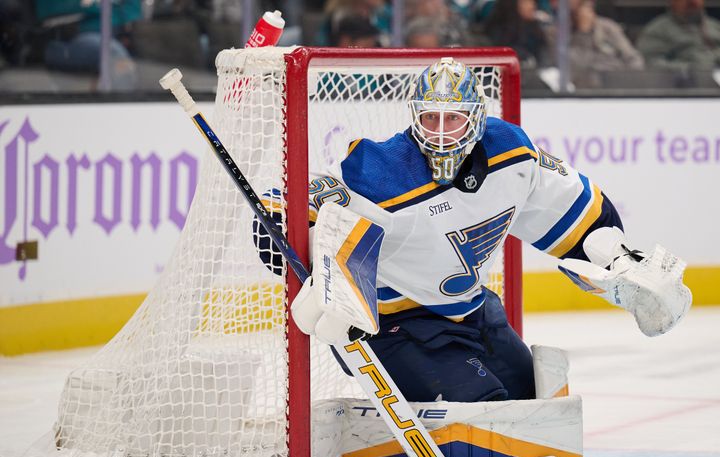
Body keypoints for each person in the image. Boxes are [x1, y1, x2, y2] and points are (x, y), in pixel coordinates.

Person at [256, 58, 692, 403]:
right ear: (414, 118)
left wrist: (619, 260)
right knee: (483, 411)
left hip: (474, 312)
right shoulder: (379, 172)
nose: (442, 135)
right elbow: (291, 210)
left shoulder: (512, 155)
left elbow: (574, 212)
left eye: (454, 120)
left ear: (477, 120)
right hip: (397, 326)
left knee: (531, 401)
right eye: (431, 119)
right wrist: (308, 260)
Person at [567, 0, 645, 88]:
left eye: (588, 7)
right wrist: (583, 32)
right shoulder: (560, 34)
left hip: (616, 82)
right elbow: (578, 66)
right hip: (582, 87)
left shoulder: (608, 27)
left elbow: (633, 58)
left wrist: (630, 82)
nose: (585, 13)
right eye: (580, 9)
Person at [484, 0, 554, 68]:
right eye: (526, 2)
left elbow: (543, 50)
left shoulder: (534, 26)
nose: (532, 6)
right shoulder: (498, 29)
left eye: (533, 2)